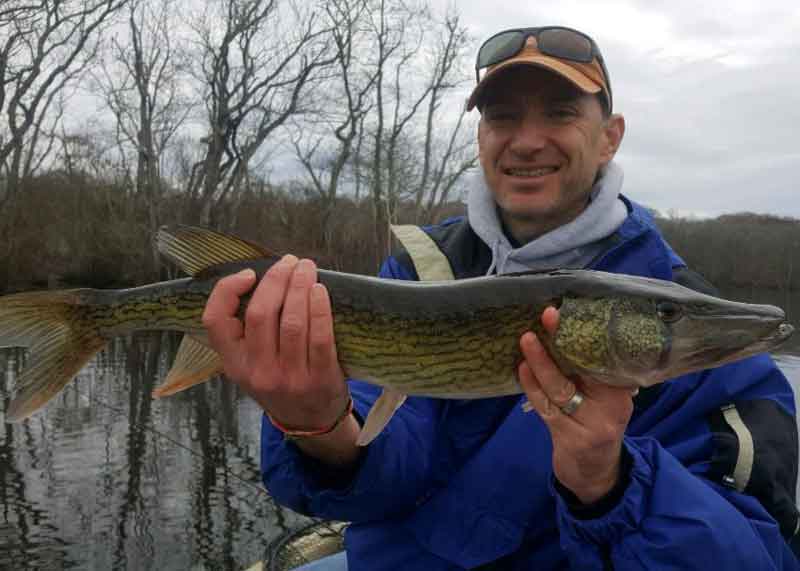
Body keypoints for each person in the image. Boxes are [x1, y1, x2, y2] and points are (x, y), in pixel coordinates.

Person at [203, 26, 800, 570]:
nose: (527, 141)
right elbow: (388, 478)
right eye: (503, 117)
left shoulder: (712, 354)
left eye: (560, 113)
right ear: (482, 137)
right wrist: (321, 431)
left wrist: (609, 483)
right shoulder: (417, 272)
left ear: (609, 138)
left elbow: (759, 556)